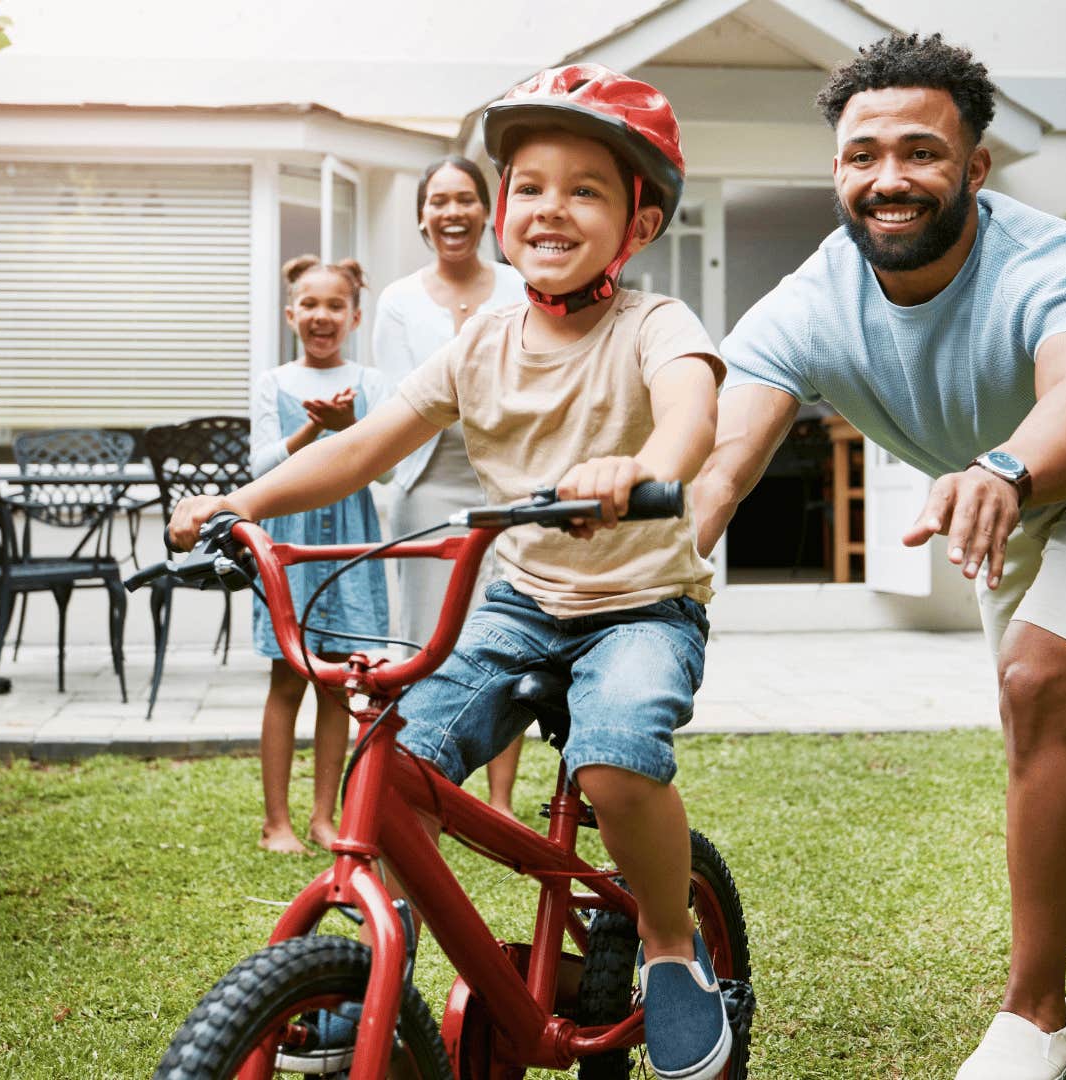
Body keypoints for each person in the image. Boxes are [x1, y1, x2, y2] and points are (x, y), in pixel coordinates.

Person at [173, 64, 736, 1079]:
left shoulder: (655, 326)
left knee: (611, 760)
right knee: (397, 769)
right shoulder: (481, 342)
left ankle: (665, 942)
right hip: (521, 602)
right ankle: (380, 978)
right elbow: (367, 446)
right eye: (529, 184)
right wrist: (243, 502)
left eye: (586, 188)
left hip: (640, 603)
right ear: (503, 207)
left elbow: (693, 413)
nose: (549, 206)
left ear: (640, 225)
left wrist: (646, 469)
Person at [690, 33, 1066, 1080]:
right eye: (862, 155)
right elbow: (724, 461)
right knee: (1054, 699)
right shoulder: (808, 302)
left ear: (974, 166)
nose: (890, 179)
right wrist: (669, 554)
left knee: (1037, 682)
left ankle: (1037, 1016)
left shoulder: (1055, 261)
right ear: (837, 168)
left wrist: (1006, 472)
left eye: (922, 153)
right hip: (1001, 496)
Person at [372, 155, 529, 817]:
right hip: (427, 484)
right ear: (421, 217)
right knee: (425, 640)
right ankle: (423, 783)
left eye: (465, 199)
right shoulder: (399, 300)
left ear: (486, 211)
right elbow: (395, 400)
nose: (452, 213)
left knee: (507, 633)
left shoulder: (521, 286)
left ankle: (497, 799)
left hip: (509, 487)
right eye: (439, 201)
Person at [247, 255, 392, 855]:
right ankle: (275, 821)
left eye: (335, 305)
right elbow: (257, 469)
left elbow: (385, 469)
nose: (321, 315)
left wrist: (352, 424)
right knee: (288, 680)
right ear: (290, 315)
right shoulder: (274, 384)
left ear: (354, 316)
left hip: (349, 548)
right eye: (309, 304)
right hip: (292, 548)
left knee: (341, 685)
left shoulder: (373, 383)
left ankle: (323, 818)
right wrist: (312, 430)